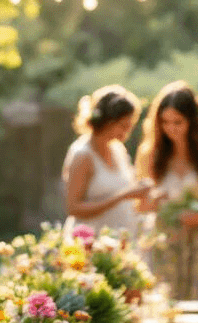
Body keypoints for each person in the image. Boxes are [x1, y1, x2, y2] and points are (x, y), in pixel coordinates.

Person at [134, 81, 198, 300]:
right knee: (163, 304)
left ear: (193, 121)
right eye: (165, 122)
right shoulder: (149, 152)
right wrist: (155, 201)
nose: (171, 129)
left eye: (178, 122)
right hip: (162, 240)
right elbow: (140, 206)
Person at [62, 85, 153, 238]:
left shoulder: (118, 149)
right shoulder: (83, 155)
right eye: (123, 125)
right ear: (107, 121)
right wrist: (122, 196)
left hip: (120, 241)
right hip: (91, 243)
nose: (128, 131)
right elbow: (74, 208)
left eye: (131, 125)